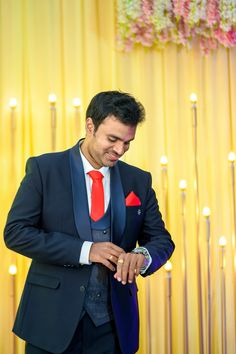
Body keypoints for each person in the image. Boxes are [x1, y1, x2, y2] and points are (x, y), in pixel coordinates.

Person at [4, 91, 175, 354]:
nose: (120, 150)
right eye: (113, 139)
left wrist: (142, 256)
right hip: (50, 322)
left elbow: (162, 240)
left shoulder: (138, 180)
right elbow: (16, 233)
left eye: (127, 142)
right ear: (90, 126)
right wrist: (86, 250)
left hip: (113, 327)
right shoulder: (44, 169)